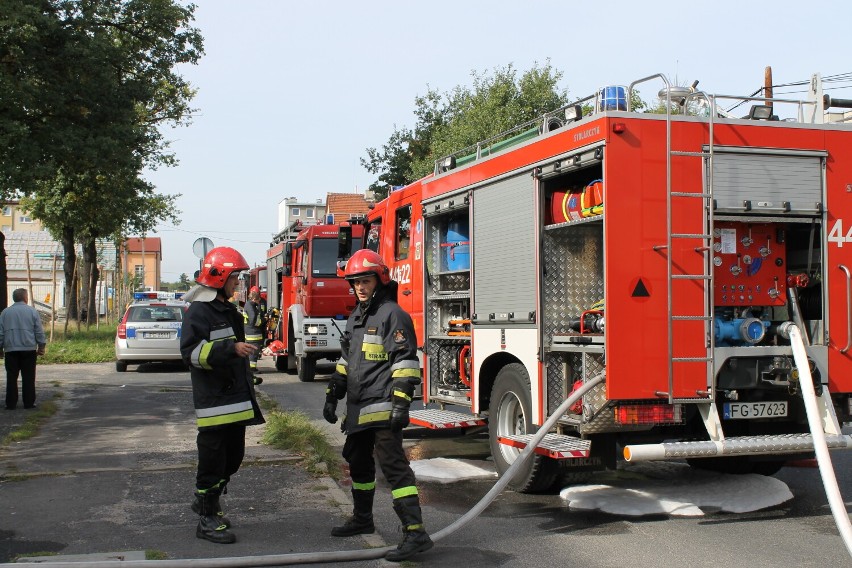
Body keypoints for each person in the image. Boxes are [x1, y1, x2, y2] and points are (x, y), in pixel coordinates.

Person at [323, 249, 432, 562]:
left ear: (380, 280)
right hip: (358, 407)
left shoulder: (392, 315)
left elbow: (405, 361)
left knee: (394, 466)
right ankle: (362, 518)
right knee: (357, 460)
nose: (359, 287)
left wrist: (401, 404)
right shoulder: (357, 317)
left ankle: (415, 532)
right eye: (355, 282)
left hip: (383, 405)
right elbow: (346, 361)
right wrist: (333, 394)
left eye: (365, 280)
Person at [180, 247, 265, 544]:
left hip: (235, 400)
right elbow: (190, 354)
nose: (238, 283)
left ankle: (210, 504)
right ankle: (206, 516)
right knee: (213, 461)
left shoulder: (228, 309)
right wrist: (229, 350)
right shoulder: (199, 312)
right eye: (235, 277)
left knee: (233, 458)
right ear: (219, 277)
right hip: (215, 402)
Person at [0, 289, 46, 410]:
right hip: (28, 349)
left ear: (14, 298)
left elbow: (1, 333)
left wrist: (0, 347)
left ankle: (10, 403)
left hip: (10, 349)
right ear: (25, 298)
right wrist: (41, 346)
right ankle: (29, 403)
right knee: (29, 377)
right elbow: (38, 331)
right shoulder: (32, 311)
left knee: (11, 377)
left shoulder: (5, 313)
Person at [243, 286, 266, 377]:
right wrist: (263, 320)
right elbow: (254, 320)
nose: (258, 302)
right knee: (254, 351)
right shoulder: (250, 305)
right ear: (254, 298)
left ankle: (251, 368)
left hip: (251, 332)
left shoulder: (249, 304)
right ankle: (252, 369)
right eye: (257, 300)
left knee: (253, 351)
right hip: (253, 333)